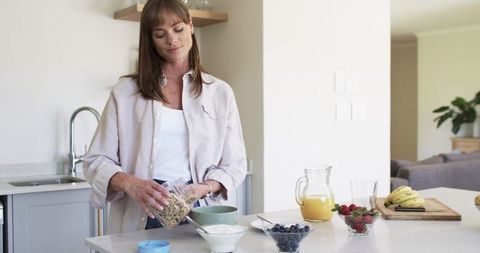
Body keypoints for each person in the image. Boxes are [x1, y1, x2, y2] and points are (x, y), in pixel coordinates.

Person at [83, 0, 247, 234]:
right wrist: (132, 185)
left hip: (201, 214)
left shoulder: (220, 92)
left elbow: (234, 165)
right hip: (141, 213)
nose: (172, 40)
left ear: (190, 26)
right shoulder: (126, 92)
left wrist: (202, 189)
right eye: (160, 34)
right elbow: (95, 161)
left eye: (178, 29)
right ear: (150, 39)